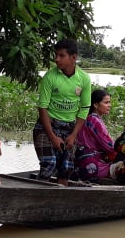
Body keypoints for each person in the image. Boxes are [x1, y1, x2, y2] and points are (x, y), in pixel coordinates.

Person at [33, 38, 91, 185]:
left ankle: (57, 202)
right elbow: (43, 108)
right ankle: (38, 198)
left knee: (66, 169)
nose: (57, 59)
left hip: (70, 128)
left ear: (74, 57)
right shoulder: (50, 77)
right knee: (49, 165)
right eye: (56, 55)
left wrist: (73, 135)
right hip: (47, 127)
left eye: (61, 55)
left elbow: (84, 109)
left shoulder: (83, 79)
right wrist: (52, 137)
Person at [76, 89, 117, 182]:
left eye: (109, 102)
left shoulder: (88, 117)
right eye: (106, 102)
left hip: (81, 159)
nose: (109, 105)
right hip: (90, 162)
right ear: (95, 105)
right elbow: (109, 145)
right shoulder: (94, 120)